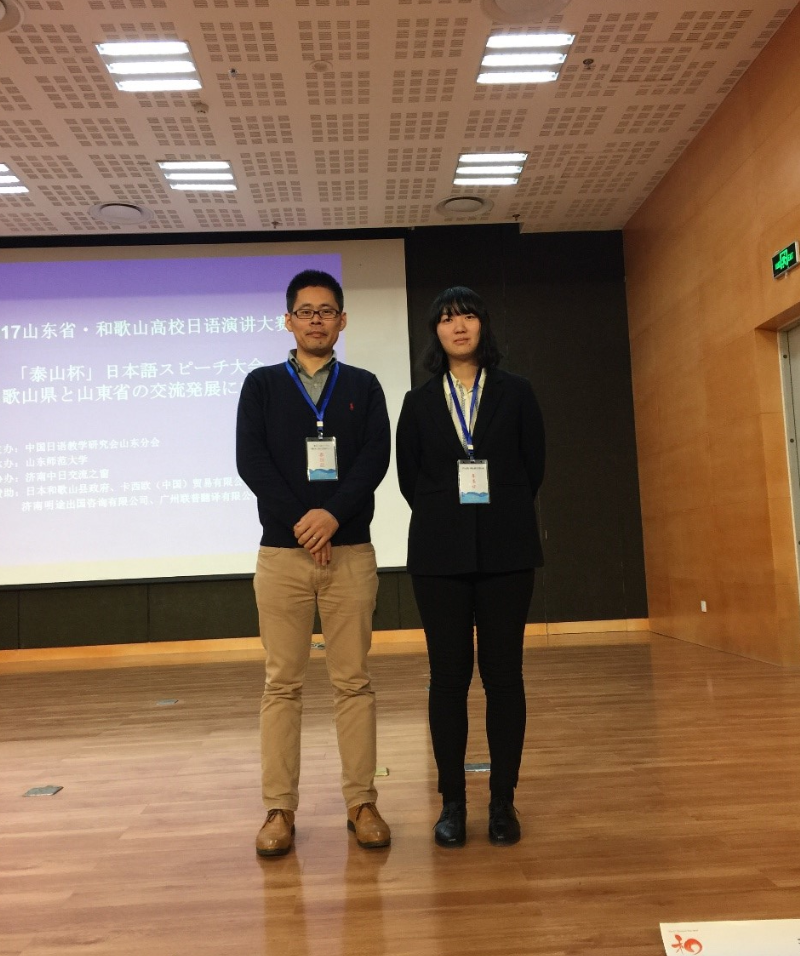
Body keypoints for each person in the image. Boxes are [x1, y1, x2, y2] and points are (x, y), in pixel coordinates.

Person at [236, 268, 392, 857]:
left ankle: (362, 803)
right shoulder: (261, 385)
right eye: (305, 311)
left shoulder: (364, 386)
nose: (316, 320)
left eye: (327, 311)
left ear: (342, 320)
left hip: (350, 551)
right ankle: (279, 809)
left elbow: (374, 458)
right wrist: (306, 522)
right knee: (282, 684)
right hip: (282, 554)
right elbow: (251, 461)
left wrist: (331, 516)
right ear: (289, 321)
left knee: (354, 682)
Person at [395, 286, 545, 848]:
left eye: (468, 316)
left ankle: (502, 800)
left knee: (504, 677)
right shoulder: (417, 402)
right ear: (435, 332)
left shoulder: (517, 392)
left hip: (508, 551)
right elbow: (410, 478)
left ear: (484, 325)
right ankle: (452, 803)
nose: (458, 326)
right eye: (446, 318)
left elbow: (534, 466)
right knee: (448, 679)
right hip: (439, 555)